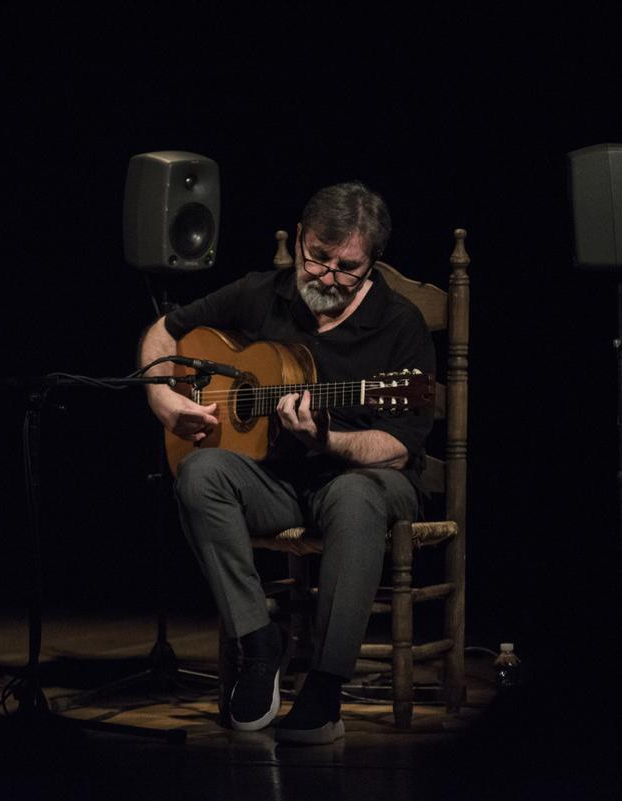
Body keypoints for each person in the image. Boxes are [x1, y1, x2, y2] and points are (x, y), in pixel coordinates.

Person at [138, 182, 435, 744]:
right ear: (300, 238)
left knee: (354, 494)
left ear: (373, 264)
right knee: (198, 474)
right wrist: (161, 396)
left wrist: (330, 442)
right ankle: (258, 641)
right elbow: (164, 332)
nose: (325, 276)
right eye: (317, 256)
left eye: (346, 267)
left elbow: (398, 447)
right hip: (275, 480)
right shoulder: (260, 293)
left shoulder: (401, 326)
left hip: (367, 481)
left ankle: (324, 686)